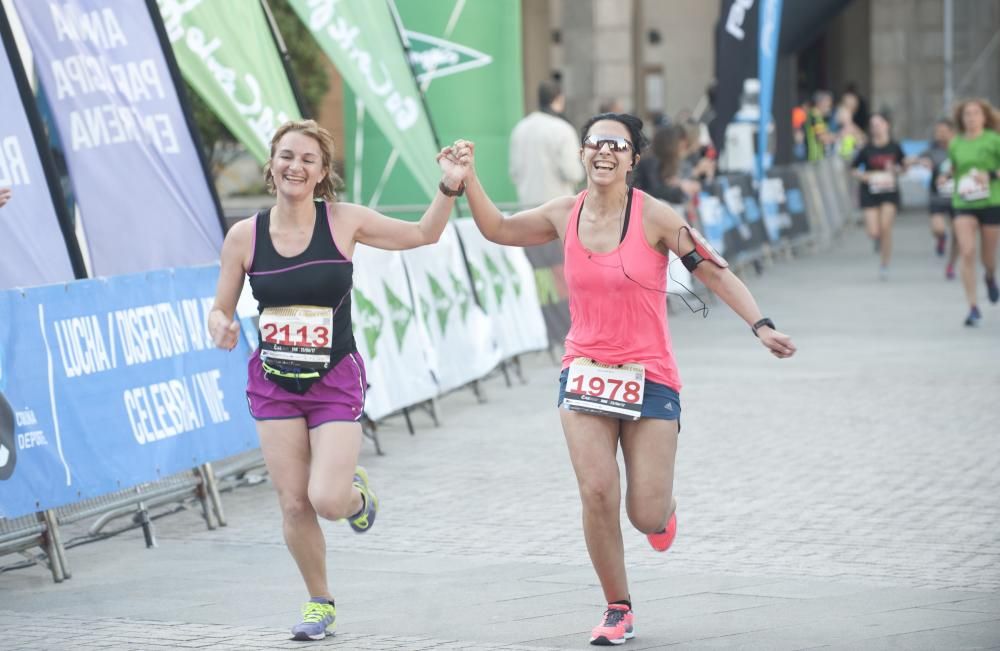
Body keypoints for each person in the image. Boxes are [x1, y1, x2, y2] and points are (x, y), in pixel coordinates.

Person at [456, 112, 796, 647]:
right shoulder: (562, 212)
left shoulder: (656, 216)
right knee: (595, 491)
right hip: (584, 372)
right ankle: (618, 606)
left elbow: (712, 269)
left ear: (633, 158)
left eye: (617, 145)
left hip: (650, 374)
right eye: (595, 143)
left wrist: (760, 323)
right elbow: (498, 228)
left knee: (645, 513)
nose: (604, 152)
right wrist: (468, 179)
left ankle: (664, 510)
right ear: (583, 153)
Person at [208, 119, 467, 641]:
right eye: (286, 156)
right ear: (271, 165)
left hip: (334, 379)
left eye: (307, 159)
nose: (294, 166)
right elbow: (221, 307)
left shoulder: (344, 221)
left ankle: (357, 499)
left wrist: (449, 185)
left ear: (323, 172)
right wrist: (222, 325)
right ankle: (318, 602)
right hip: (275, 382)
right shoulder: (245, 236)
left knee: (327, 499)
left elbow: (424, 234)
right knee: (293, 501)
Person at [946, 98, 1000, 326]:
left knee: (987, 257)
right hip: (964, 201)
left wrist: (990, 175)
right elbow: (953, 169)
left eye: (976, 113)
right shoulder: (955, 143)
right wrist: (945, 176)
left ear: (984, 117)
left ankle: (989, 276)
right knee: (967, 251)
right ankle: (973, 307)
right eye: (967, 114)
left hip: (990, 201)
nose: (971, 118)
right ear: (961, 118)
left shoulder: (994, 140)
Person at [509, 81, 584, 206]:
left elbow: (514, 172)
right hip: (558, 207)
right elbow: (573, 172)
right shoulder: (563, 129)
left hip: (528, 206)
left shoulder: (520, 128)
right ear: (559, 99)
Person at [851, 113, 905, 280]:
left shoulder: (895, 147)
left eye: (879, 124)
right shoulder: (866, 149)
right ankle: (877, 239)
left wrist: (897, 171)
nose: (876, 128)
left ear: (886, 125)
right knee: (873, 231)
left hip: (889, 192)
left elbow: (903, 167)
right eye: (873, 125)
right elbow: (853, 169)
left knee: (885, 227)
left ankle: (884, 264)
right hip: (870, 192)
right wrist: (863, 176)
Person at [916, 119, 958, 269]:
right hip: (937, 195)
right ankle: (941, 238)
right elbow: (919, 159)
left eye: (942, 131)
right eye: (937, 132)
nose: (939, 135)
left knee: (958, 235)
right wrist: (921, 162)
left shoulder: (960, 146)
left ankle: (951, 264)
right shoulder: (932, 148)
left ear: (952, 131)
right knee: (938, 228)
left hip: (958, 197)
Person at [805, 90, 835, 161]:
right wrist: (838, 136)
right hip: (814, 157)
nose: (829, 108)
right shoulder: (815, 117)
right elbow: (822, 137)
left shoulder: (817, 117)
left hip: (817, 157)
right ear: (820, 103)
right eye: (828, 105)